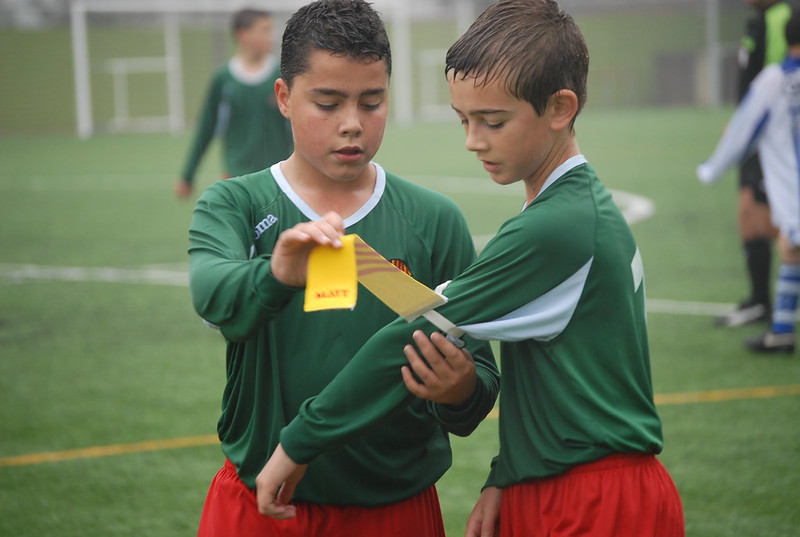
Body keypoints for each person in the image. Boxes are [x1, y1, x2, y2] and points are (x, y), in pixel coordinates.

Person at [257, 1, 685, 536]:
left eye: (493, 121)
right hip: (561, 480)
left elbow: (414, 333)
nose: (473, 141)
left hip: (594, 499)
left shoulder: (556, 227)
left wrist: (297, 444)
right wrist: (507, 474)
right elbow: (552, 378)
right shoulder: (570, 208)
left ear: (560, 108)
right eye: (464, 120)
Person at [187, 1, 499, 535]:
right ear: (284, 98)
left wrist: (460, 388)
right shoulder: (233, 204)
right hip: (260, 502)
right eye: (327, 103)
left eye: (371, 102)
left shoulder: (433, 219)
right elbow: (213, 294)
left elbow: (478, 386)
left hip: (394, 509)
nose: (352, 124)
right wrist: (276, 273)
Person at [698, 8, 800, 353]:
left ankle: (778, 326)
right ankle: (781, 331)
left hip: (792, 190)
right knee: (790, 245)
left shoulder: (776, 79)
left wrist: (711, 169)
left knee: (789, 240)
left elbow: (744, 130)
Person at [715, 0, 791, 327]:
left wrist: (752, 123)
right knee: (748, 210)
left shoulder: (780, 19)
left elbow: (777, 79)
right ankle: (760, 300)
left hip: (769, 134)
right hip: (753, 132)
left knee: (767, 215)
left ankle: (770, 303)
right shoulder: (758, 20)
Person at [176, 8, 292, 199]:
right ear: (242, 34)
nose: (271, 37)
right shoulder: (223, 79)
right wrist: (187, 176)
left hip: (278, 177)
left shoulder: (282, 76)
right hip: (236, 178)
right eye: (264, 30)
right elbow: (205, 129)